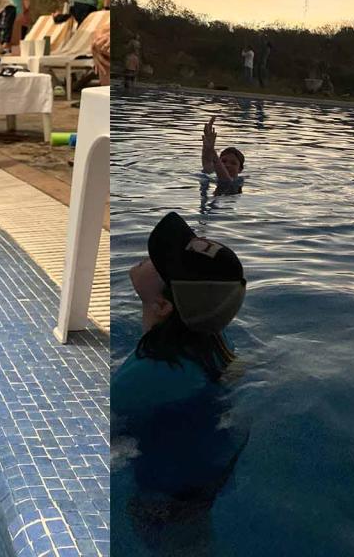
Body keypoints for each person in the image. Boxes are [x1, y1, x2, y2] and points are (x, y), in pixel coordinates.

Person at [111, 212, 248, 519]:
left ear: (162, 306)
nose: (144, 259)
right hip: (203, 469)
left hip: (165, 497)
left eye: (155, 261)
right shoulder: (215, 342)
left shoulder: (142, 376)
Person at [201, 117, 244, 195]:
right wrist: (207, 142)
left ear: (240, 169)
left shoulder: (236, 183)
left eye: (233, 163)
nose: (227, 165)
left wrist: (212, 149)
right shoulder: (213, 174)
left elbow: (225, 179)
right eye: (223, 161)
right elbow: (207, 162)